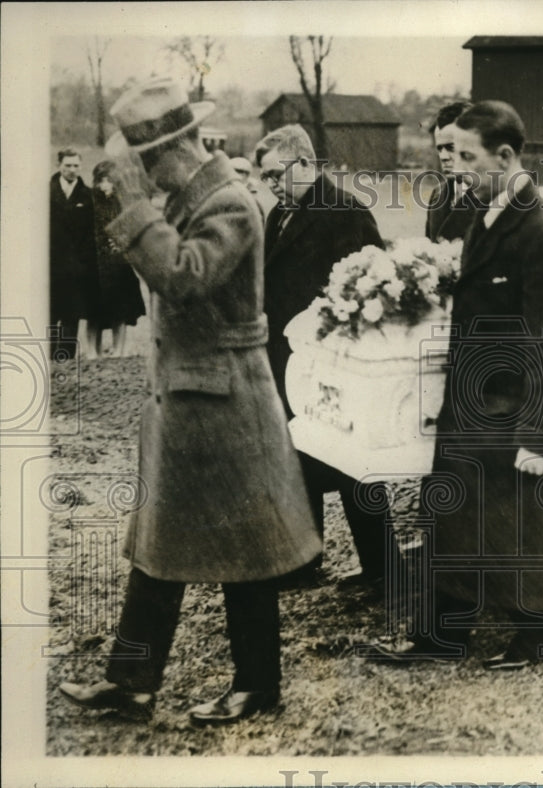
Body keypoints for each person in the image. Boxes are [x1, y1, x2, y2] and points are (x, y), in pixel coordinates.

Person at [58, 77, 321, 724]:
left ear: (175, 149)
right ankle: (131, 685)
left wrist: (134, 202)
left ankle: (257, 685)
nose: (146, 173)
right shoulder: (187, 198)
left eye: (148, 162)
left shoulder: (229, 203)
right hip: (189, 399)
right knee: (158, 545)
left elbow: (183, 278)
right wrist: (134, 206)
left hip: (227, 400)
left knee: (249, 549)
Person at [367, 101, 543, 670]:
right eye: (453, 154)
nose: (456, 166)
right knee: (458, 519)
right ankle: (445, 635)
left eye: (469, 156)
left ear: (506, 156)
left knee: (524, 526)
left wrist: (542, 435)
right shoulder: (483, 216)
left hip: (516, 412)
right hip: (474, 405)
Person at [253, 124, 398, 592]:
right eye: (265, 177)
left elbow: (374, 282)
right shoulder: (279, 214)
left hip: (335, 358)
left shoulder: (344, 212)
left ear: (306, 164)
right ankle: (304, 559)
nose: (271, 184)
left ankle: (382, 564)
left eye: (277, 174)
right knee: (297, 453)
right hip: (286, 356)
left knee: (353, 459)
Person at [90, 160, 147, 357]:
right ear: (96, 181)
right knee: (94, 308)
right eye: (101, 180)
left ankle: (119, 350)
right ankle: (92, 351)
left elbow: (132, 228)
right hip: (95, 262)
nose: (106, 184)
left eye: (110, 180)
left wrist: (122, 243)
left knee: (121, 307)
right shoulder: (90, 200)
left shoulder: (122, 201)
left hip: (118, 262)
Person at [49, 147, 99, 359]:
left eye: (76, 165)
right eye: (67, 165)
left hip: (77, 265)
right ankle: (47, 353)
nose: (72, 170)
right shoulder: (45, 192)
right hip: (50, 264)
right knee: (50, 311)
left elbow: (91, 232)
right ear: (59, 165)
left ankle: (66, 357)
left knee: (72, 312)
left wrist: (83, 262)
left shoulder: (87, 195)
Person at [424, 101, 477, 242]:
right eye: (439, 148)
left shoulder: (496, 197)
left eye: (451, 147)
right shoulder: (437, 195)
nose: (443, 157)